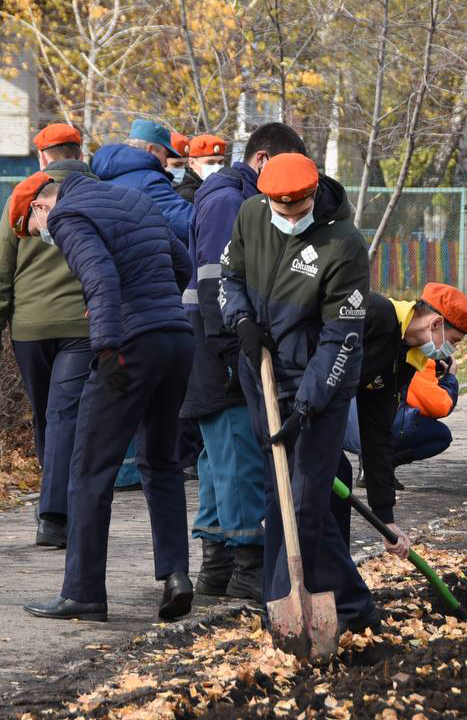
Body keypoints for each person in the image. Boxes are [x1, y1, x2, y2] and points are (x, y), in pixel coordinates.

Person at [19, 165, 195, 623]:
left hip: (127, 348)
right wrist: (154, 311)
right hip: (175, 340)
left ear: (40, 205)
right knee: (161, 462)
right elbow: (183, 264)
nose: (40, 237)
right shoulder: (135, 200)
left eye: (32, 229)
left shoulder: (67, 216)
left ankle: (84, 593)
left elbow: (99, 278)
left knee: (90, 467)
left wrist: (109, 347)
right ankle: (177, 575)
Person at [219, 152, 381, 634]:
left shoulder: (344, 243)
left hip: (321, 380)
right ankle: (299, 606)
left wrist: (307, 405)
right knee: (278, 494)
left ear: (314, 195)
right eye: (280, 210)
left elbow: (341, 337)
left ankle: (316, 613)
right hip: (261, 371)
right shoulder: (251, 214)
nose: (289, 218)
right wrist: (243, 322)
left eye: (298, 209)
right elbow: (229, 278)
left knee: (306, 498)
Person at [181, 123, 307, 602]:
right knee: (236, 457)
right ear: (262, 161)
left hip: (218, 344)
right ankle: (247, 564)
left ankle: (217, 568)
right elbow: (217, 280)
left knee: (219, 459)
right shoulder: (231, 202)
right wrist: (236, 348)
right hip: (222, 346)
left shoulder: (230, 197)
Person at [0, 123, 96, 548]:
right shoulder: (97, 193)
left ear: (42, 157)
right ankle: (58, 512)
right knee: (67, 418)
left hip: (29, 329)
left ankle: (53, 512)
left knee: (49, 418)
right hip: (83, 327)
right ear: (79, 153)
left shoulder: (23, 196)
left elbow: (0, 270)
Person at [347, 284, 467, 547]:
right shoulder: (374, 315)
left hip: (320, 419)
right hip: (290, 407)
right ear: (436, 324)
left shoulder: (405, 358)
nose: (451, 351)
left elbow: (377, 432)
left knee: (338, 476)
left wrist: (386, 520)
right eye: (453, 341)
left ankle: (333, 579)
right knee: (332, 476)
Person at [91, 119, 193, 241]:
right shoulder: (148, 180)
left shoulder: (100, 175)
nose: (166, 163)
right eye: (165, 155)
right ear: (150, 149)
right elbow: (186, 222)